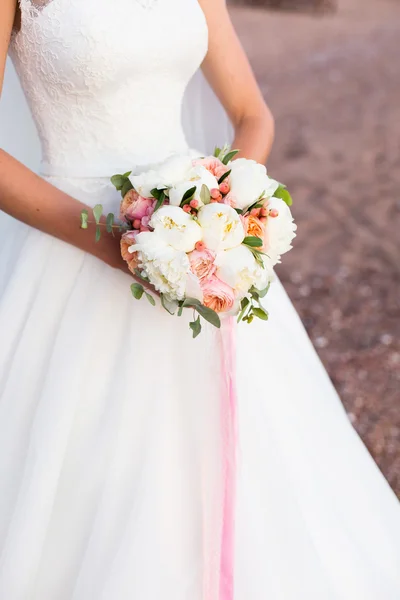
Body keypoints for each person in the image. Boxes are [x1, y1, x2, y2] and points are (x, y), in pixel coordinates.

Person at [0, 1, 399, 598]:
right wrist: (118, 246)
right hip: (77, 251)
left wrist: (219, 213)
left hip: (200, 250)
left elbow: (251, 115)